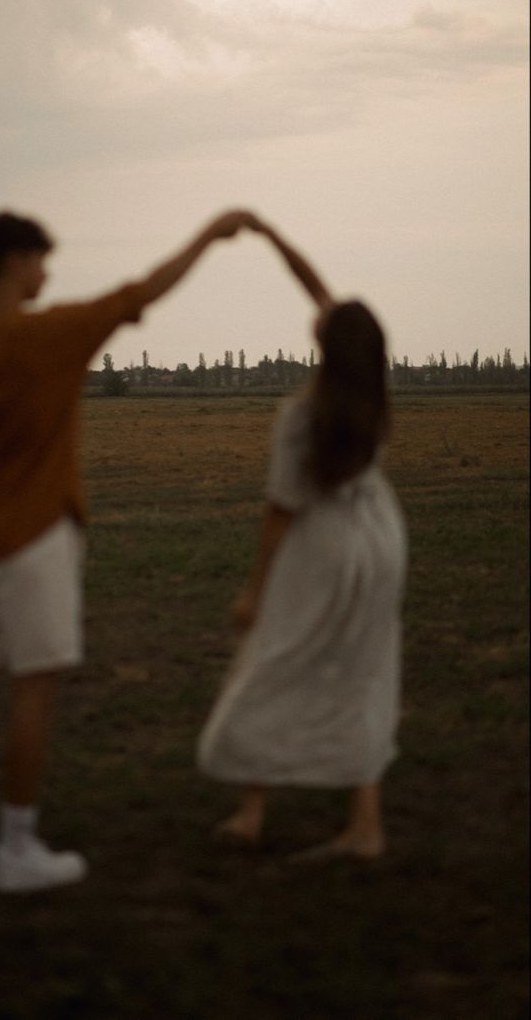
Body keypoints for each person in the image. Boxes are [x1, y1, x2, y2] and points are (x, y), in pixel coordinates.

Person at [0, 206, 258, 892]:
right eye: (41, 257)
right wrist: (211, 234)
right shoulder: (55, 335)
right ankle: (17, 844)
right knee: (33, 689)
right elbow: (147, 288)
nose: (48, 270)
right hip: (36, 542)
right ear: (14, 260)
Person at [197, 224, 407, 860]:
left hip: (325, 545)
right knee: (364, 670)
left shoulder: (303, 414)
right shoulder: (371, 389)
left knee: (274, 660)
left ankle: (252, 811)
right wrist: (271, 238)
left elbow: (280, 513)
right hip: (383, 538)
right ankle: (364, 824)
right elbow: (322, 294)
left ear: (323, 343)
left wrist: (254, 590)